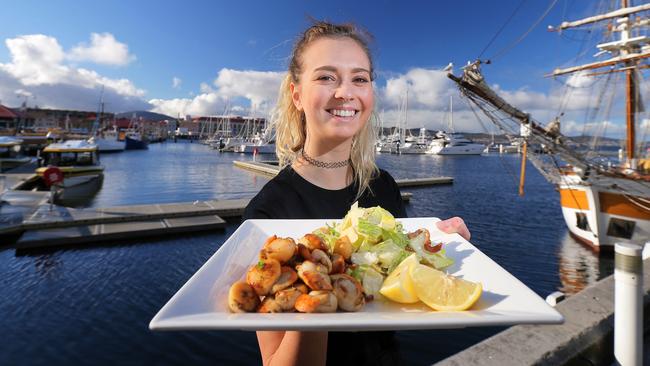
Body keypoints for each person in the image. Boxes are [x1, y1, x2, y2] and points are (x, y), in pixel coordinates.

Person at [243, 20, 470, 366]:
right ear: (296, 94)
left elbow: (400, 287)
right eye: (326, 77)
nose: (345, 92)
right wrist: (314, 292)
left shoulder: (384, 186)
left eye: (359, 78)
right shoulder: (267, 215)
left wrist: (443, 250)